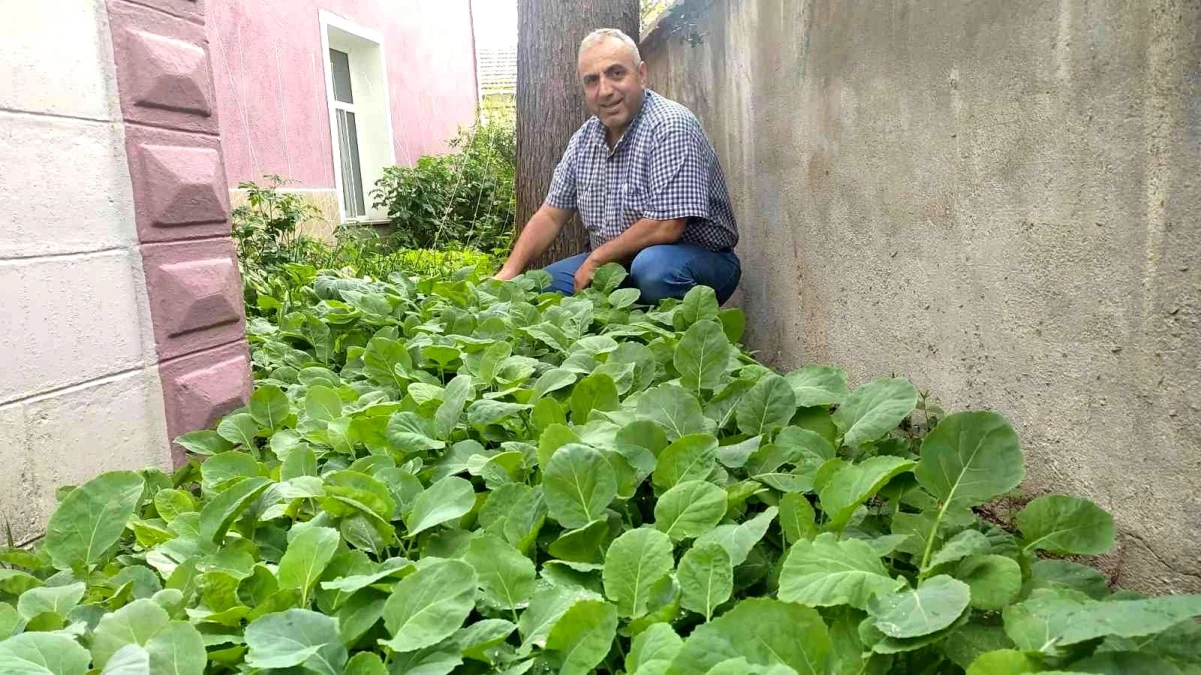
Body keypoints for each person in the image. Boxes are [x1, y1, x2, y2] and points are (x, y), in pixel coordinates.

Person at [493, 28, 741, 304]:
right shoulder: (583, 141)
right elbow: (550, 215)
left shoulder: (670, 126)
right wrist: (507, 274)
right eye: (592, 80)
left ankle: (681, 342)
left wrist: (597, 258)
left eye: (616, 73)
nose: (605, 90)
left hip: (695, 258)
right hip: (617, 262)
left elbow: (666, 226)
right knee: (539, 289)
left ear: (641, 75)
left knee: (653, 270)